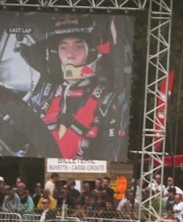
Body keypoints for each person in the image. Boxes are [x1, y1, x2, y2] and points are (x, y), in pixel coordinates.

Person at [23, 14, 127, 160]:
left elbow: (110, 154)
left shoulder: (107, 102)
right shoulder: (46, 94)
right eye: (63, 47)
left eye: (78, 47)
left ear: (90, 52)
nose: (69, 55)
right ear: (56, 54)